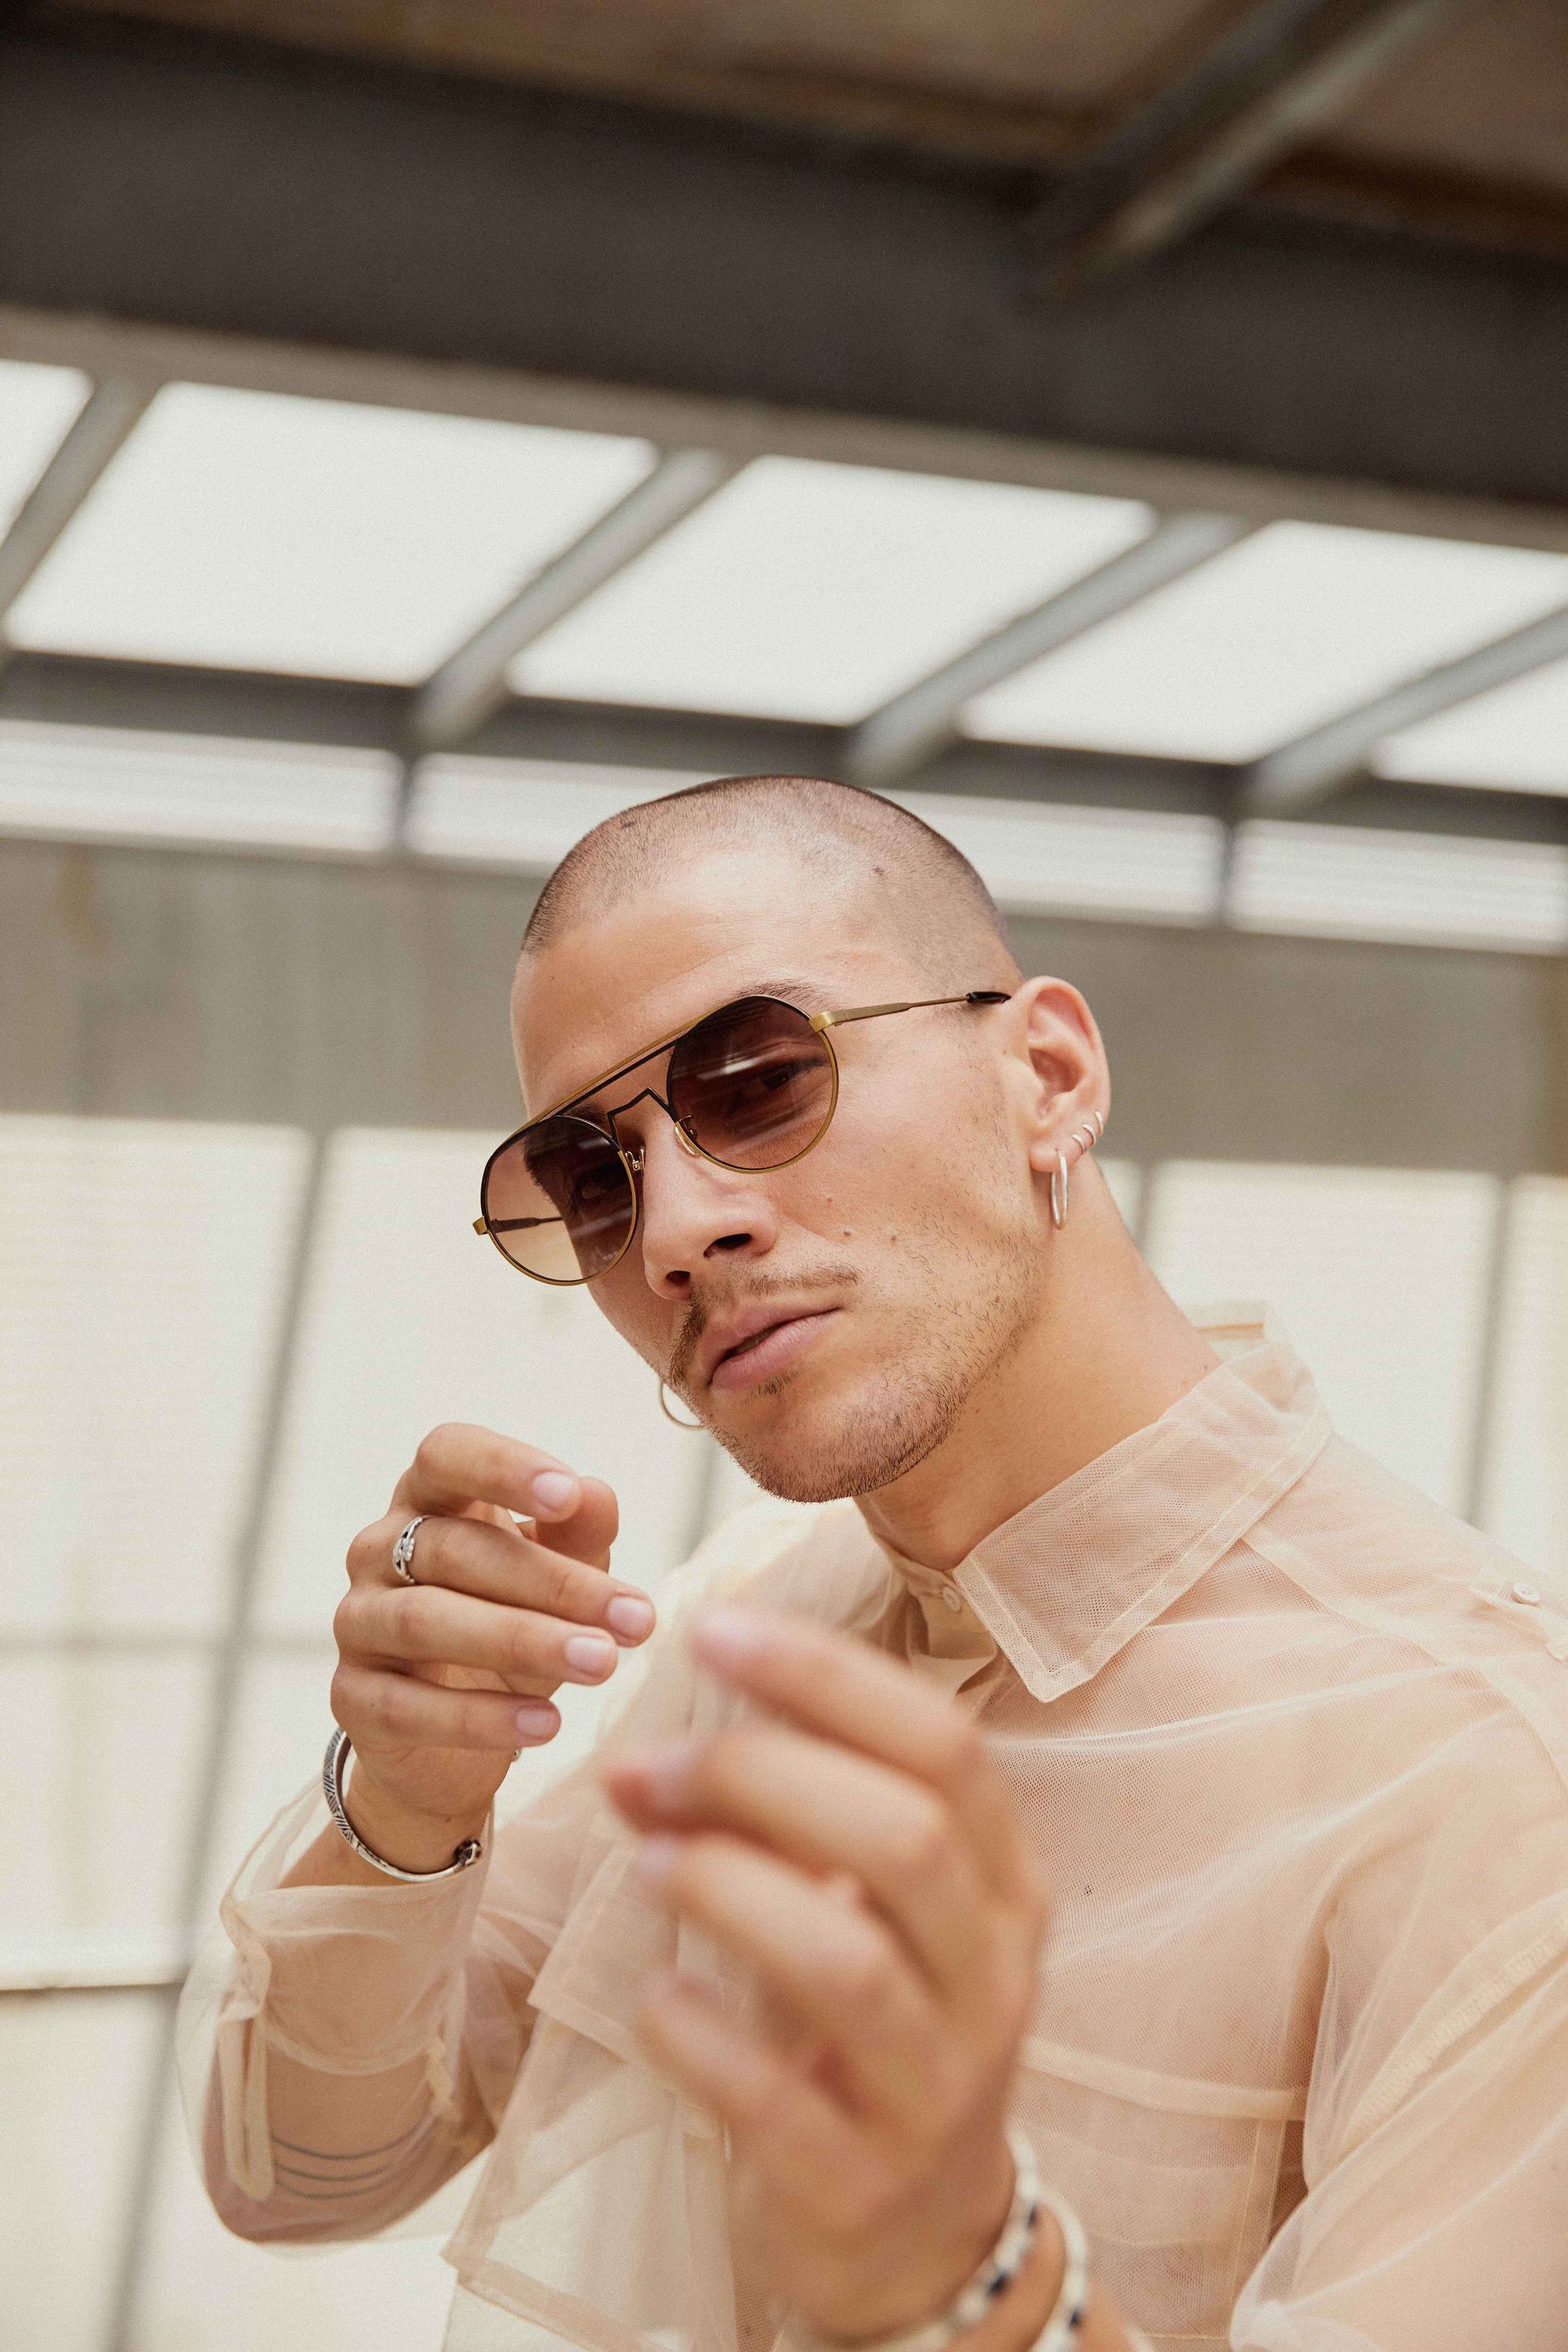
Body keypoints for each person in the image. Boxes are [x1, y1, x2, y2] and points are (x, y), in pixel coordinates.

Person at [180, 775, 1568, 2352]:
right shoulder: (749, 1621)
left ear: (1048, 1076)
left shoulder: (1491, 1781)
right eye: (592, 1180)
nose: (675, 1231)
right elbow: (301, 2177)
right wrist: (408, 1798)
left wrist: (969, 2281)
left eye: (761, 1081)